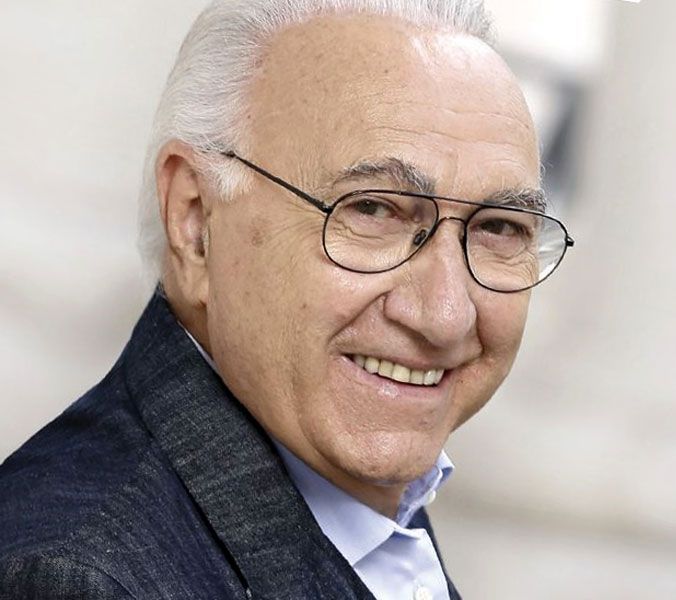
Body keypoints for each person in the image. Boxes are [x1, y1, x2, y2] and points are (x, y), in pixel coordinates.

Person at [0, 0, 573, 598]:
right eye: (372, 209)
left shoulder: (367, 513)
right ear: (195, 222)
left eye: (500, 227)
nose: (445, 315)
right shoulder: (80, 579)